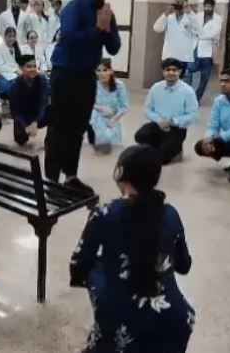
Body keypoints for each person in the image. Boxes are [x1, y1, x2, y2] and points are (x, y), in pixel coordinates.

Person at [70, 144, 195, 352]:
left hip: (119, 324)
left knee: (97, 267)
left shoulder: (105, 213)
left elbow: (78, 266)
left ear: (120, 173)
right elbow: (184, 265)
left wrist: (105, 271)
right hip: (174, 321)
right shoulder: (170, 213)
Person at [46, 0, 121, 193]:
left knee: (78, 127)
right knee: (59, 127)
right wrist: (97, 30)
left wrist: (106, 30)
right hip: (64, 74)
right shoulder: (74, 7)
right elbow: (68, 39)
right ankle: (51, 181)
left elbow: (114, 47)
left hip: (87, 76)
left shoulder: (107, 12)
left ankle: (70, 176)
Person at [135, 58, 198, 166]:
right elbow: (147, 109)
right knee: (140, 135)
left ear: (180, 71)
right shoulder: (156, 88)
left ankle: (176, 150)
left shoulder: (188, 91)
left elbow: (192, 115)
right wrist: (159, 120)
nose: (171, 73)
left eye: (174, 70)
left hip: (176, 127)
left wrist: (172, 121)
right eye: (168, 70)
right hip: (158, 124)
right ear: (163, 71)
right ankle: (159, 146)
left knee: (162, 158)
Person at [88, 59, 129, 154]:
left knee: (113, 146)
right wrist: (100, 108)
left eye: (105, 70)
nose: (102, 73)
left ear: (111, 71)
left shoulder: (120, 85)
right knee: (102, 146)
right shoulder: (92, 84)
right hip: (96, 117)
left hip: (112, 118)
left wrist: (114, 119)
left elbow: (124, 106)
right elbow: (87, 103)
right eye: (98, 70)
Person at [185, 0, 222, 101]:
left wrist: (199, 33)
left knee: (204, 78)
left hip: (208, 51)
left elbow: (213, 33)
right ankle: (188, 96)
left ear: (213, 7)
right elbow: (192, 28)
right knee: (188, 70)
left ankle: (197, 98)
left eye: (209, 6)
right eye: (205, 6)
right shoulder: (198, 16)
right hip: (195, 48)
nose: (207, 8)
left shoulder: (217, 19)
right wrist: (198, 33)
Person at [153, 0, 196, 77]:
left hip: (183, 56)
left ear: (186, 4)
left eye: (182, 2)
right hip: (169, 55)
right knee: (167, 79)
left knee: (179, 80)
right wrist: (166, 13)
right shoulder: (169, 17)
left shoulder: (190, 17)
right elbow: (157, 28)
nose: (179, 4)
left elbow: (199, 29)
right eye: (177, 2)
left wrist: (190, 12)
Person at [10, 54, 49, 146]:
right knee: (20, 140)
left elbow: (44, 103)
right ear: (21, 68)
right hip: (24, 115)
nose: (32, 69)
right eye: (28, 66)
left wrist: (36, 122)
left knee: (54, 112)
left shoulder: (42, 80)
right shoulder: (15, 85)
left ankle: (50, 140)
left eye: (34, 66)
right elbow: (15, 112)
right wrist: (26, 126)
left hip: (38, 113)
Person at [0, 26, 20, 98]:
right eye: (9, 36)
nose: (11, 38)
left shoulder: (17, 49)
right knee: (8, 87)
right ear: (5, 37)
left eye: (13, 36)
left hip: (14, 74)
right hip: (1, 73)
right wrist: (15, 71)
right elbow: (0, 65)